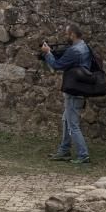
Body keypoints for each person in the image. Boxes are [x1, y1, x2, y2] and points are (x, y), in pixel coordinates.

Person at [42, 24, 92, 164]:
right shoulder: (84, 46)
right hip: (79, 89)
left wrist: (47, 53)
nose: (66, 36)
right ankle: (64, 150)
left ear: (72, 35)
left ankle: (83, 155)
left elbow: (57, 65)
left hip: (73, 92)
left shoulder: (75, 51)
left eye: (67, 34)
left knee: (73, 125)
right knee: (66, 120)